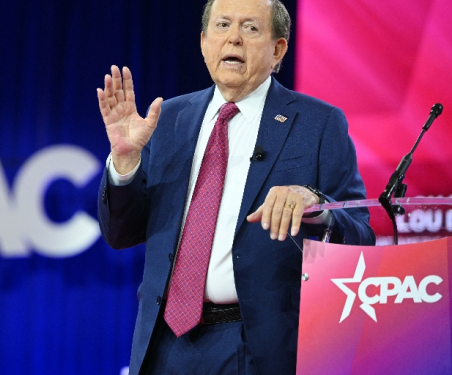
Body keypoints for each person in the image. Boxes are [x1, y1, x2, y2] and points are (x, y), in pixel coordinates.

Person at [96, 0, 376, 373]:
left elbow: (360, 236)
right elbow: (120, 233)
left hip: (257, 345)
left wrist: (316, 207)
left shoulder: (319, 124)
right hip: (164, 345)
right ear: (203, 41)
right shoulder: (169, 120)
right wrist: (125, 163)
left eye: (250, 28)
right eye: (223, 25)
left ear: (278, 49)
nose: (233, 39)